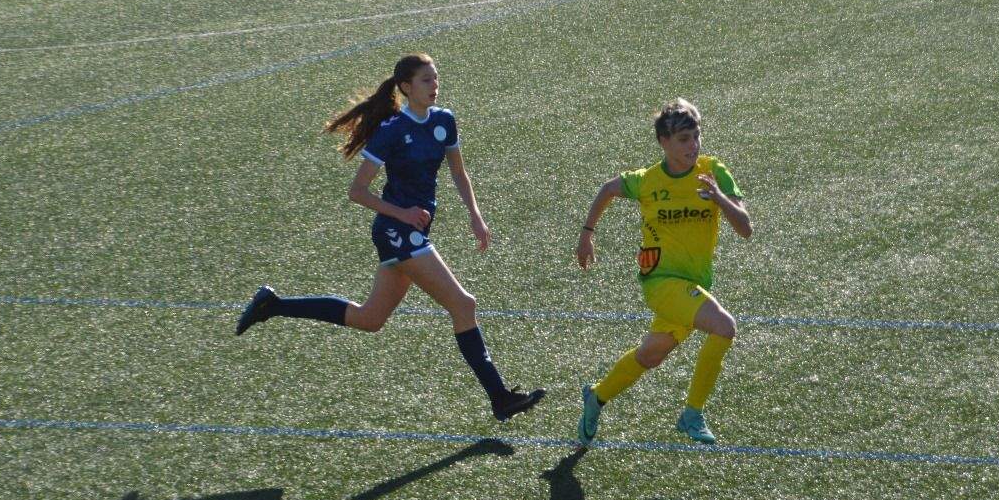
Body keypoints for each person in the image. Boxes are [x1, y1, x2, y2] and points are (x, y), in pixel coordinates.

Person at [235, 54, 545, 424]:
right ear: (405, 87)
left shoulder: (444, 121)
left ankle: (274, 305)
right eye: (426, 80)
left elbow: (459, 174)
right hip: (397, 232)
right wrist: (403, 214)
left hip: (411, 233)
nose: (434, 86)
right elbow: (358, 191)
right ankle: (500, 397)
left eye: (436, 79)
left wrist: (476, 217)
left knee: (370, 319)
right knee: (463, 305)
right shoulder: (393, 130)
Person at [573, 99, 753, 447]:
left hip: (693, 283)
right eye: (684, 139)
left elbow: (745, 228)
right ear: (664, 142)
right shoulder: (647, 181)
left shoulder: (713, 172)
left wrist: (718, 198)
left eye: (696, 136)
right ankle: (692, 413)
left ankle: (596, 397)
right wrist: (586, 234)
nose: (693, 145)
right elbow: (608, 189)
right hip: (660, 283)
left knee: (651, 355)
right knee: (724, 327)